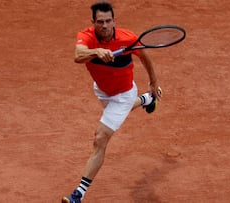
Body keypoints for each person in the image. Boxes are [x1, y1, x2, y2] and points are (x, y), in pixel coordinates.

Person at [62, 1, 162, 203]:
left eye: (109, 21)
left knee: (100, 138)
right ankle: (146, 99)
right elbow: (77, 55)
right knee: (119, 113)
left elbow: (145, 57)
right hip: (102, 90)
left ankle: (78, 194)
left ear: (114, 21)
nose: (105, 25)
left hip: (123, 95)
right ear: (93, 22)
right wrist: (96, 51)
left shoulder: (129, 39)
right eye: (100, 22)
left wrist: (153, 80)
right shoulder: (87, 36)